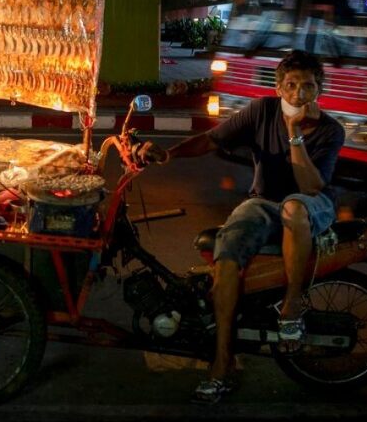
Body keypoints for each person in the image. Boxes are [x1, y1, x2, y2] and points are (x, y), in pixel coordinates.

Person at [137, 50, 345, 404]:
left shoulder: (330, 130)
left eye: (307, 86)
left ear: (319, 90)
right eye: (291, 85)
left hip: (312, 204)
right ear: (278, 88)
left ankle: (292, 305)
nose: (298, 94)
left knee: (294, 208)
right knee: (228, 252)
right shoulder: (261, 111)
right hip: (263, 202)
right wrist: (169, 154)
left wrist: (294, 133)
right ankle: (221, 362)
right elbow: (211, 140)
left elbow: (310, 186)